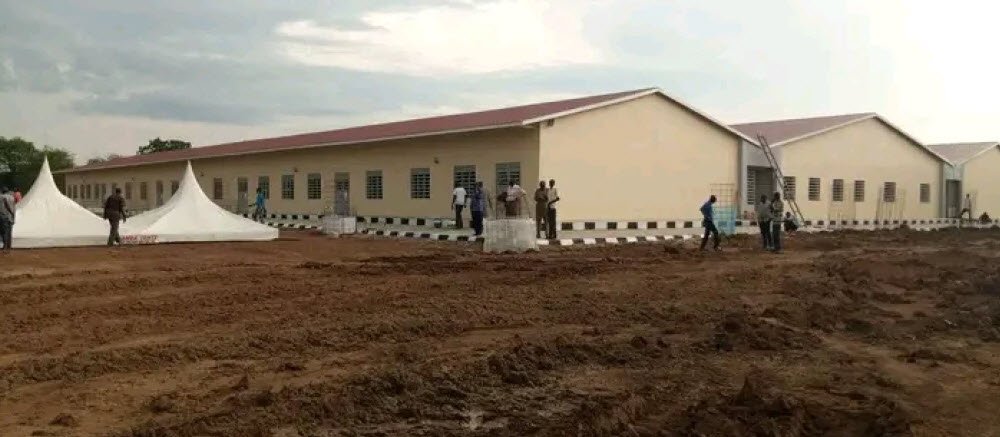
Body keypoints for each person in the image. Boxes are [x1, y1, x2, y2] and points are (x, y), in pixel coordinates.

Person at [0, 187, 15, 252]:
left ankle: (5, 246)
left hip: (3, 215)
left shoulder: (1, 197)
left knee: (4, 232)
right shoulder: (12, 197)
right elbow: (14, 207)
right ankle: (9, 246)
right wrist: (13, 215)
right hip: (10, 216)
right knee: (9, 231)